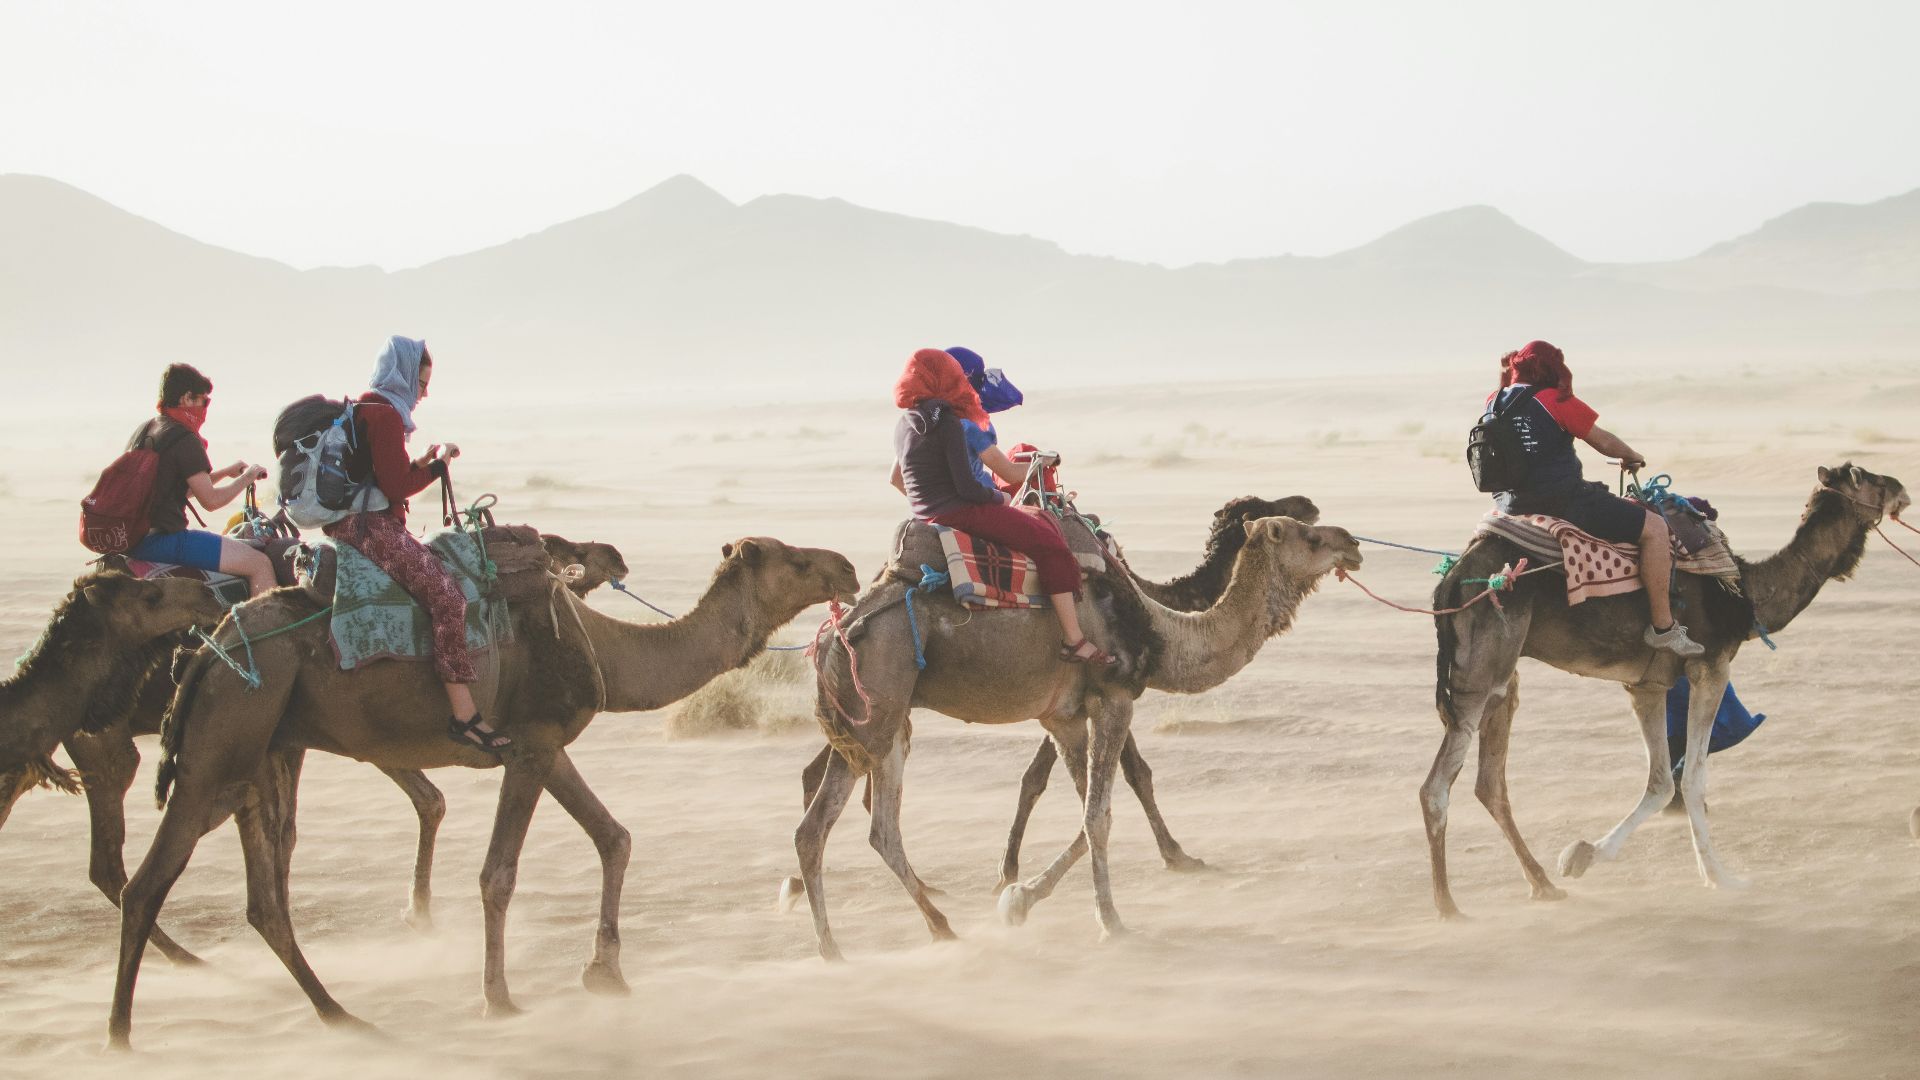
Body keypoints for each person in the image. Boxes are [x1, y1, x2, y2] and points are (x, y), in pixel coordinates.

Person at [324, 335, 507, 753]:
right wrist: (438, 466)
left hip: (357, 520)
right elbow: (396, 486)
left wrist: (423, 461)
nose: (424, 392)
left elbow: (380, 473)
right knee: (448, 599)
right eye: (421, 383)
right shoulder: (385, 415)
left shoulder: (367, 406)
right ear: (404, 376)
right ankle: (465, 716)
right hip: (370, 527)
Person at [889, 347, 1113, 665]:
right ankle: (1074, 640)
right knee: (1049, 543)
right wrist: (1003, 496)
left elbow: (897, 480)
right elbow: (969, 486)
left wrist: (929, 501)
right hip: (963, 510)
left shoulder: (906, 423)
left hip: (924, 514)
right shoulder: (953, 422)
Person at [1486, 340, 1703, 657]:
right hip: (1563, 501)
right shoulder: (1554, 399)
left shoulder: (1494, 400)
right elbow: (1602, 441)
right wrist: (1632, 455)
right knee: (1655, 528)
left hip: (1510, 503)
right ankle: (1663, 628)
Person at [127, 363, 275, 595]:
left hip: (136, 539)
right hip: (163, 541)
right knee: (259, 564)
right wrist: (248, 477)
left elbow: (181, 492)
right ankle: (265, 628)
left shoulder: (148, 429)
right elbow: (211, 502)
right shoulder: (184, 438)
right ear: (187, 398)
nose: (205, 409)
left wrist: (226, 473)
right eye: (204, 401)